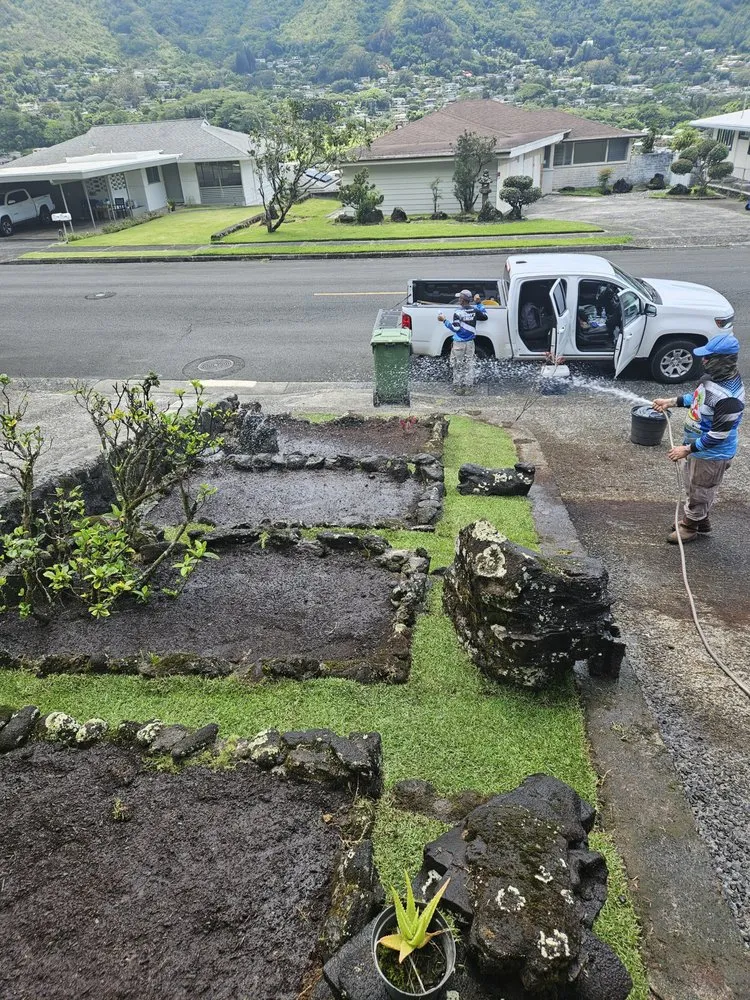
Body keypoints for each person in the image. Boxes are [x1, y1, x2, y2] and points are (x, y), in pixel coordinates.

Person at [653, 332, 744, 544]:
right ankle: (701, 520)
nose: (703, 360)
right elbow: (698, 399)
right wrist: (671, 401)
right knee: (695, 486)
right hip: (699, 449)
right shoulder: (713, 379)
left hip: (711, 454)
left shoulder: (729, 398)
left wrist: (686, 449)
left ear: (722, 361)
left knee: (700, 490)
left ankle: (689, 527)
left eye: (708, 357)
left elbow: (718, 435)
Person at [437, 289, 488, 394]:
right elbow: (484, 316)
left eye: (460, 298)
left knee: (457, 365)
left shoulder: (458, 312)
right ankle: (468, 387)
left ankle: (458, 387)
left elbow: (455, 329)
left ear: (462, 300)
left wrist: (444, 320)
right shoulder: (474, 311)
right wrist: (479, 303)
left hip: (458, 344)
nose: (459, 300)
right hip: (470, 344)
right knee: (469, 364)